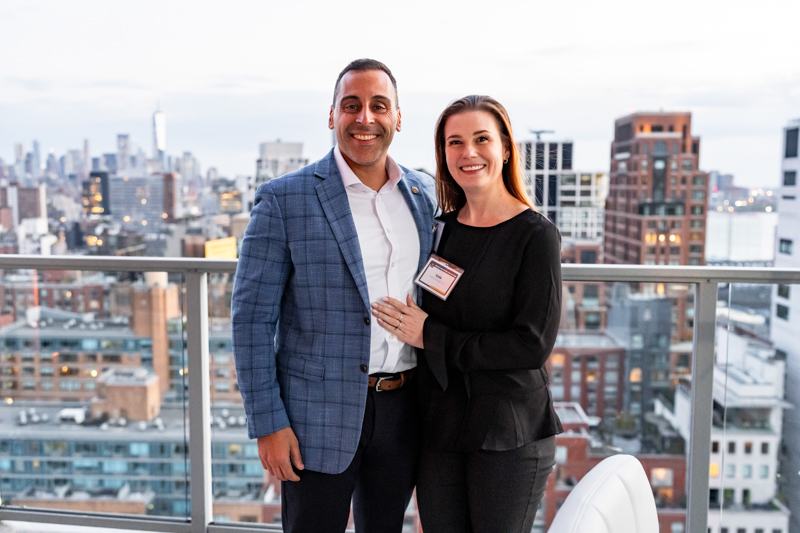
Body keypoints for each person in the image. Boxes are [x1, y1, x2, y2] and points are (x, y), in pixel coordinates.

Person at [231, 58, 436, 533]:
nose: (365, 118)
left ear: (398, 118)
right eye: (352, 105)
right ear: (332, 116)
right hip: (313, 417)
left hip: (404, 410)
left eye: (379, 106)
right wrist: (268, 423)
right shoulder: (285, 200)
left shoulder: (422, 193)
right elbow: (251, 320)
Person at [371, 95, 563, 532]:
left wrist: (433, 337)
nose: (467, 153)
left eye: (481, 139)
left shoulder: (535, 235)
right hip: (440, 428)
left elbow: (532, 345)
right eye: (454, 143)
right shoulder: (439, 230)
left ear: (506, 148)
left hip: (507, 431)